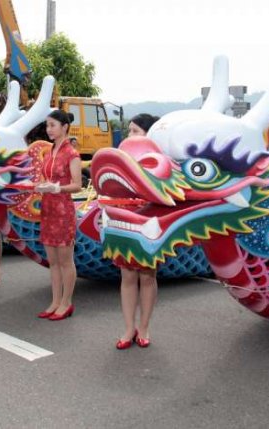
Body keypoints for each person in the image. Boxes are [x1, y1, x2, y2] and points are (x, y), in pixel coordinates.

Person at [113, 114, 161, 350]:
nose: (129, 135)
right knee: (127, 276)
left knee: (147, 276)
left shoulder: (159, 161)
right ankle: (128, 328)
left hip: (149, 221)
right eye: (129, 130)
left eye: (135, 131)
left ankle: (144, 327)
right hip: (125, 221)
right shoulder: (123, 159)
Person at [35, 110, 82, 321]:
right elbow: (44, 177)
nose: (49, 129)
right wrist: (41, 186)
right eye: (47, 125)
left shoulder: (72, 153)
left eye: (52, 125)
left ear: (65, 127)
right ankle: (55, 301)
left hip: (63, 211)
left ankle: (66, 302)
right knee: (52, 261)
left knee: (65, 261)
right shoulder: (49, 151)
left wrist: (57, 188)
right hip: (48, 209)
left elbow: (77, 185)